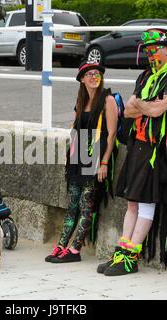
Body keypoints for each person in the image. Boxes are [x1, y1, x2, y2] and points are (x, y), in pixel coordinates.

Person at [98, 29, 167, 276]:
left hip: (160, 150)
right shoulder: (145, 76)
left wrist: (143, 106)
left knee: (145, 202)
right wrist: (147, 106)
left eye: (154, 50)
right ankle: (121, 253)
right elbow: (129, 112)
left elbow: (156, 110)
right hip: (139, 145)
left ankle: (131, 257)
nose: (150, 55)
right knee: (132, 201)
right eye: (148, 51)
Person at [45, 62, 118, 263]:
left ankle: (75, 250)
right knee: (72, 204)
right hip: (78, 155)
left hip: (95, 154)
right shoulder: (81, 100)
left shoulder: (108, 100)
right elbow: (75, 128)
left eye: (98, 74)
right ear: (82, 79)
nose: (94, 77)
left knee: (86, 205)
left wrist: (104, 163)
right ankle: (61, 245)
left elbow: (111, 134)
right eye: (90, 74)